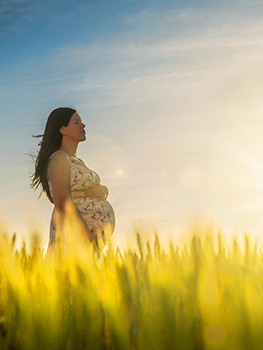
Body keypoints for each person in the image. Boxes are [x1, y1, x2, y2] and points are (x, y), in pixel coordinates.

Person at [31, 107, 115, 251]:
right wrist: (87, 236)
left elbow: (83, 190)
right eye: (76, 122)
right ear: (63, 129)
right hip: (73, 237)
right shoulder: (59, 158)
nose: (83, 125)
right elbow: (62, 200)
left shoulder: (76, 161)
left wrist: (103, 191)